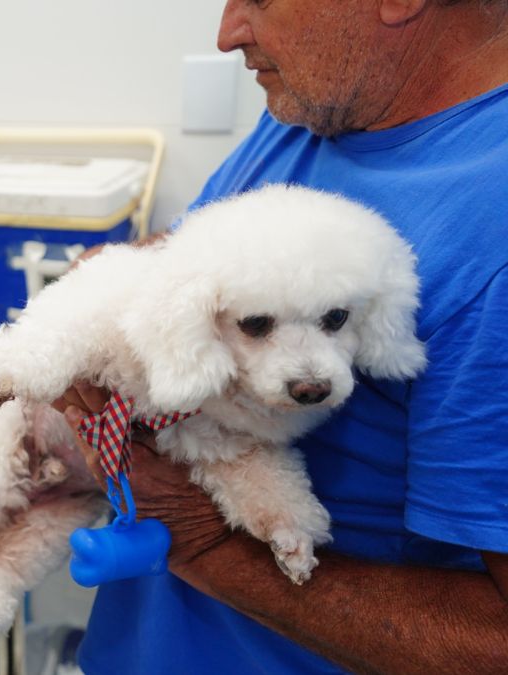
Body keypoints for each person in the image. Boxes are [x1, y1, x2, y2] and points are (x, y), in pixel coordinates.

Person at [61, 1, 508, 673]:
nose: (227, 33)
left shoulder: (490, 228)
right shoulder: (313, 113)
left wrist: (206, 541)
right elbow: (200, 261)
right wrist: (129, 279)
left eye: (261, 0)